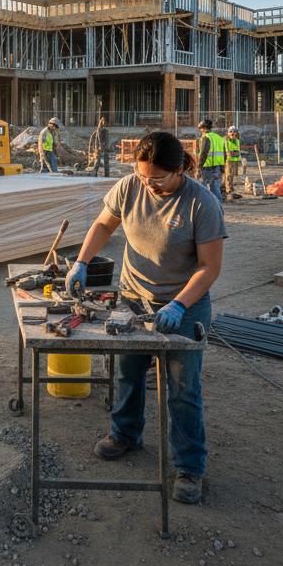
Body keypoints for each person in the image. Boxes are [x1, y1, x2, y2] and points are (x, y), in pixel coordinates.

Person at [64, 131, 226, 504]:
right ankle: (125, 434)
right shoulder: (129, 187)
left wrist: (179, 305)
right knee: (128, 372)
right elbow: (105, 224)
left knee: (183, 389)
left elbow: (209, 267)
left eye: (157, 178)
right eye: (142, 176)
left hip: (183, 305)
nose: (148, 184)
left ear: (180, 169)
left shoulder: (202, 204)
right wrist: (82, 262)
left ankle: (189, 467)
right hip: (134, 299)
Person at [195, 119, 225, 205]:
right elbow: (224, 154)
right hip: (219, 167)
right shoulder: (219, 138)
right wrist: (223, 167)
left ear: (203, 129)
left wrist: (198, 166)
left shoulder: (206, 137)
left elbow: (204, 153)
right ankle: (218, 210)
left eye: (201, 130)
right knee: (216, 190)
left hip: (207, 167)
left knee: (203, 189)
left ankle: (205, 209)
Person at [222, 126, 242, 200]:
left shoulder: (236, 140)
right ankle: (228, 189)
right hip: (228, 160)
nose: (233, 135)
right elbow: (226, 150)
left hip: (235, 160)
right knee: (228, 175)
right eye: (231, 133)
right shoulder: (226, 140)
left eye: (234, 133)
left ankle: (230, 187)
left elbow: (237, 149)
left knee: (233, 174)